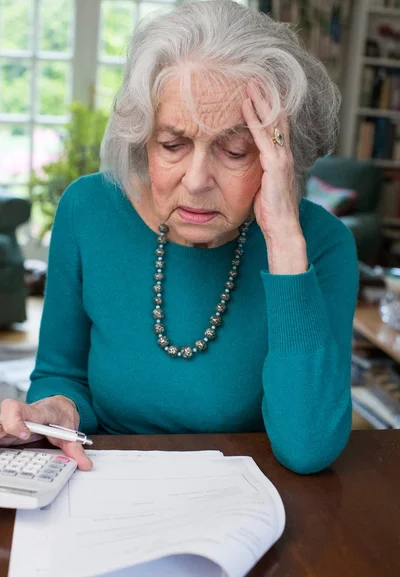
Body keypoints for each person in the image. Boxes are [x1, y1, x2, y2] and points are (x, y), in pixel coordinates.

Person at [0, 0, 358, 473]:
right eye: (172, 145)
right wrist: (54, 413)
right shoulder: (88, 210)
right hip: (104, 485)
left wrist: (286, 244)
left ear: (281, 158)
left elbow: (308, 448)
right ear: (142, 138)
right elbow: (61, 373)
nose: (195, 180)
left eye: (235, 151)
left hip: (248, 502)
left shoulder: (321, 243)